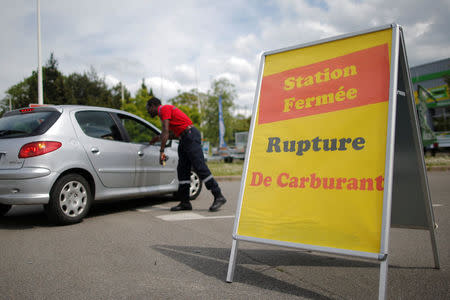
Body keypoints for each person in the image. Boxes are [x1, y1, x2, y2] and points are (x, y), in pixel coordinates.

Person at [147, 97, 227, 212]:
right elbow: (172, 134)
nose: (147, 111)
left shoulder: (163, 109)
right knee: (182, 170)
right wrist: (158, 138)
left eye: (148, 108)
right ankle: (185, 202)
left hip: (190, 135)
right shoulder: (164, 113)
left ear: (153, 105)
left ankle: (218, 195)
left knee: (200, 167)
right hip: (184, 138)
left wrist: (161, 151)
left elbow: (166, 131)